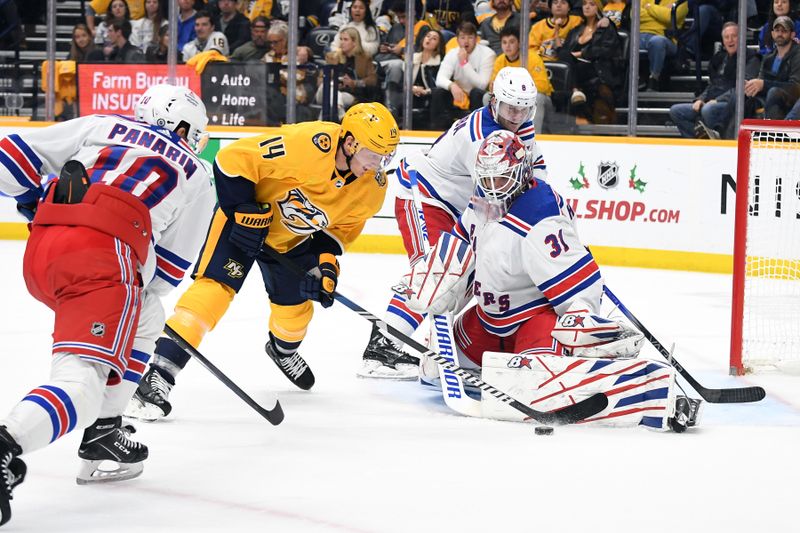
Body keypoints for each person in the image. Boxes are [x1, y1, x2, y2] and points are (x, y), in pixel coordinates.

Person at [0, 84, 214, 527]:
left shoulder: (103, 125)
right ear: (186, 129)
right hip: (101, 259)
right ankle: (8, 443)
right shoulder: (197, 174)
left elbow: (10, 155)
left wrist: (32, 198)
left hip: (43, 250)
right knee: (82, 383)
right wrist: (125, 282)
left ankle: (106, 431)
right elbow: (167, 273)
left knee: (145, 315)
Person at [404, 130, 702, 432]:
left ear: (520, 173)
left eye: (500, 179)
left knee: (537, 384)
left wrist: (580, 319)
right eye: (487, 178)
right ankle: (515, 366)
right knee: (433, 369)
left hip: (532, 320)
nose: (492, 188)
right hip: (489, 319)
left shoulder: (539, 214)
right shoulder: (482, 200)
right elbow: (461, 249)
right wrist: (436, 282)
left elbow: (577, 284)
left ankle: (629, 380)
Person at [126, 103, 400, 421]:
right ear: (350, 143)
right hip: (244, 225)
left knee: (296, 313)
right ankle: (158, 375)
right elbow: (231, 161)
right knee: (211, 294)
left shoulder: (372, 190)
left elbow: (337, 233)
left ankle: (282, 351)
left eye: (385, 156)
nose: (379, 165)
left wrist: (325, 269)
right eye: (375, 154)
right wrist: (243, 211)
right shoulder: (306, 144)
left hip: (292, 241)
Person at [358, 67, 546, 380]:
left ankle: (434, 343)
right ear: (494, 102)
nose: (516, 115)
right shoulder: (481, 136)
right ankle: (382, 347)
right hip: (426, 197)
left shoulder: (520, 127)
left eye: (523, 109)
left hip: (460, 208)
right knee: (436, 272)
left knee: (461, 274)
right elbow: (497, 195)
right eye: (511, 107)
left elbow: (536, 174)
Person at [669, 22, 760, 139]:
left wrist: (717, 100)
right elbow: (712, 84)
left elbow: (743, 88)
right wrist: (700, 99)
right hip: (710, 101)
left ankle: (717, 141)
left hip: (730, 105)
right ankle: (705, 140)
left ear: (742, 38)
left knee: (708, 110)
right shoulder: (720, 58)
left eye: (734, 36)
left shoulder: (751, 58)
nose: (730, 40)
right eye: (726, 37)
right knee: (676, 111)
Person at [559, 0, 624, 125]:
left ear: (598, 8)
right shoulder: (576, 30)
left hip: (597, 70)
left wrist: (581, 54)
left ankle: (575, 90)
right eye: (584, 4)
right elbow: (564, 52)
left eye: (591, 4)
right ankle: (575, 90)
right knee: (563, 55)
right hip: (578, 70)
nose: (587, 7)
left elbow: (606, 51)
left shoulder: (606, 27)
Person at [431, 21, 496, 130]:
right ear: (457, 40)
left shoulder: (488, 54)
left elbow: (482, 84)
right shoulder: (452, 53)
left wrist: (464, 63)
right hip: (459, 95)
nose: (466, 41)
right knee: (439, 92)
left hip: (479, 97)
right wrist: (452, 86)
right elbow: (440, 78)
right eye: (462, 37)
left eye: (470, 37)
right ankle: (438, 130)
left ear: (476, 39)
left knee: (477, 93)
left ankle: (478, 129)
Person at [490, 26, 554, 133]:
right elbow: (492, 87)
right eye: (504, 42)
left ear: (519, 44)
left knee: (538, 98)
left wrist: (518, 92)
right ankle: (496, 133)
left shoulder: (532, 58)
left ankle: (534, 135)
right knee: (487, 97)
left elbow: (543, 86)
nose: (507, 46)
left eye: (511, 42)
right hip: (512, 101)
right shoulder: (499, 61)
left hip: (538, 99)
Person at [745, 16, 800, 120]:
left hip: (791, 99)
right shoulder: (768, 58)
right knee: (741, 96)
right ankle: (726, 134)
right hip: (770, 98)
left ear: (792, 34)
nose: (780, 34)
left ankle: (776, 133)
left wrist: (764, 84)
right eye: (777, 30)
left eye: (784, 31)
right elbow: (761, 83)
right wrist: (750, 86)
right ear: (772, 33)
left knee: (774, 92)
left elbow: (796, 88)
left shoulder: (797, 54)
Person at [317, 27, 379, 119]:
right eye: (341, 39)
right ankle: (341, 116)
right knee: (331, 88)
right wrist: (335, 81)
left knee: (335, 97)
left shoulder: (364, 58)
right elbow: (320, 80)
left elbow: (372, 80)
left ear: (354, 42)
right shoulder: (334, 56)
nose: (342, 42)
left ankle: (321, 125)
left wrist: (354, 83)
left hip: (348, 95)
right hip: (325, 92)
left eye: (345, 39)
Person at [639, 0, 688, 91]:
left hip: (666, 39)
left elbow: (670, 18)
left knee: (657, 41)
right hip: (640, 36)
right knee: (624, 41)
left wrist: (649, 7)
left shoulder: (681, 2)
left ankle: (654, 78)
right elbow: (634, 15)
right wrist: (662, 13)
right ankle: (635, 78)